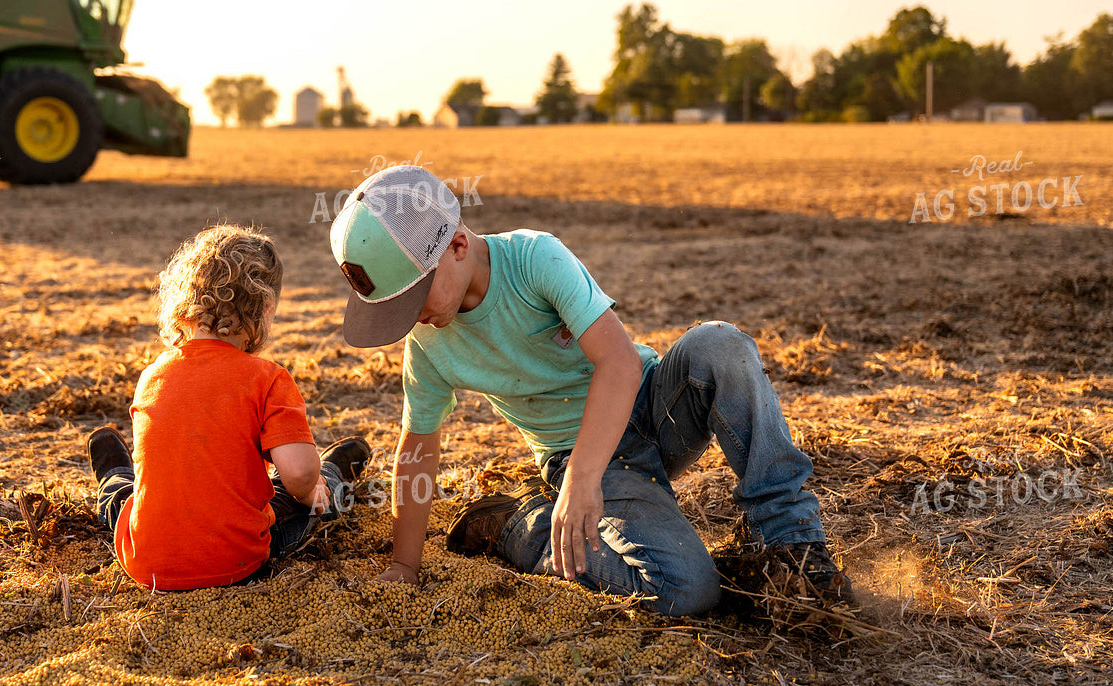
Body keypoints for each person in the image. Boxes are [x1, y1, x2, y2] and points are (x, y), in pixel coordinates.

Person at [328, 166, 855, 615]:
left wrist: (580, 484)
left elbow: (621, 365)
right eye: (394, 310)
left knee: (719, 345)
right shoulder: (428, 344)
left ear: (458, 246)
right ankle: (520, 526)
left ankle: (792, 545)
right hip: (580, 453)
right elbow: (417, 451)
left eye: (414, 296)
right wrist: (403, 565)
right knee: (686, 592)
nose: (412, 318)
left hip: (650, 403)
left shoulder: (535, 259)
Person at [88, 224, 369, 589]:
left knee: (131, 499)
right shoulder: (267, 379)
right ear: (266, 310)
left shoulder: (152, 374)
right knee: (304, 498)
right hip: (235, 564)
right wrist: (314, 487)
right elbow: (298, 475)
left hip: (145, 564)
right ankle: (335, 472)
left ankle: (113, 477)